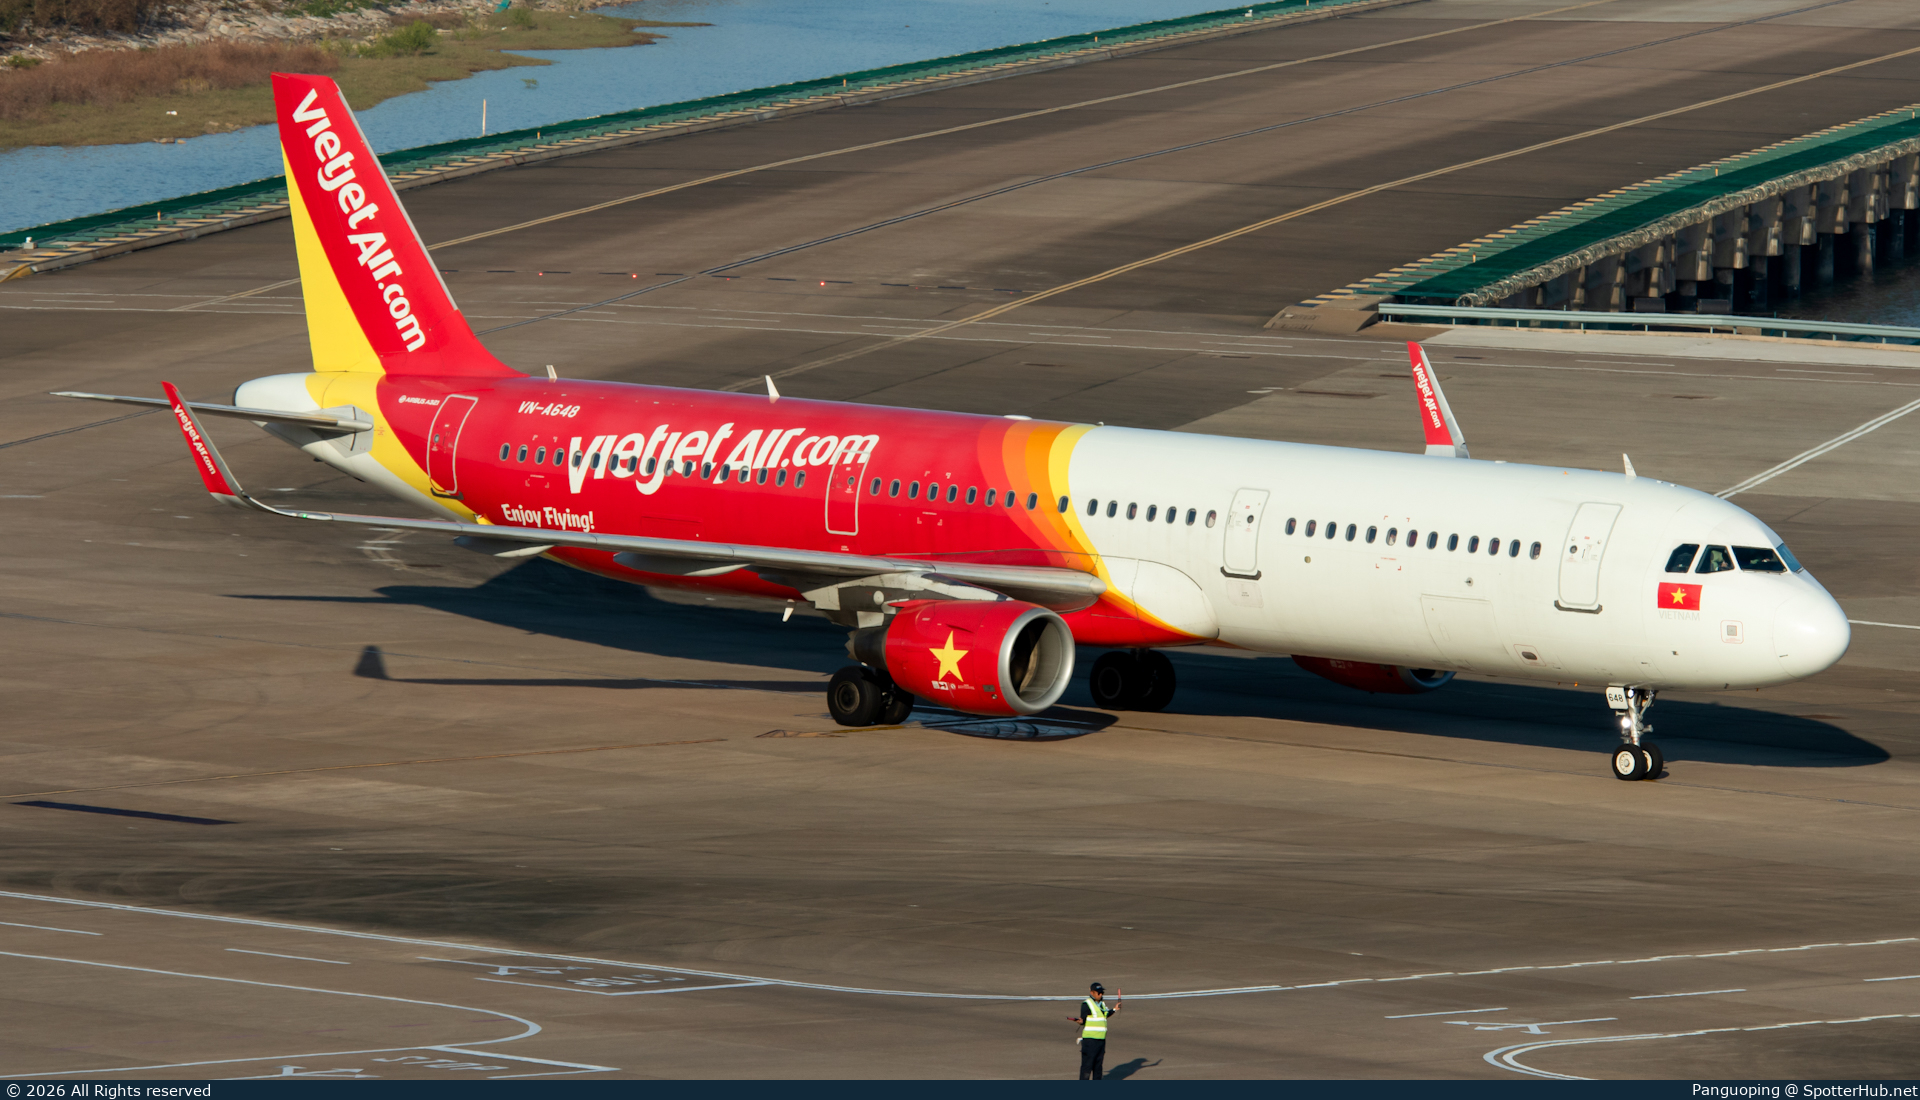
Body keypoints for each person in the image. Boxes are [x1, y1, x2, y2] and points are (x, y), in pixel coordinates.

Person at [1069, 981, 1121, 1079]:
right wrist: (1080, 1021)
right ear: (1092, 992)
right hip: (1090, 1041)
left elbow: (1105, 1014)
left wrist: (1114, 1009)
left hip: (1100, 1041)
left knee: (1098, 1067)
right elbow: (1083, 1020)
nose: (1101, 994)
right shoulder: (1087, 1004)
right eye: (1098, 992)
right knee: (1087, 1067)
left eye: (1102, 992)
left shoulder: (1101, 1004)